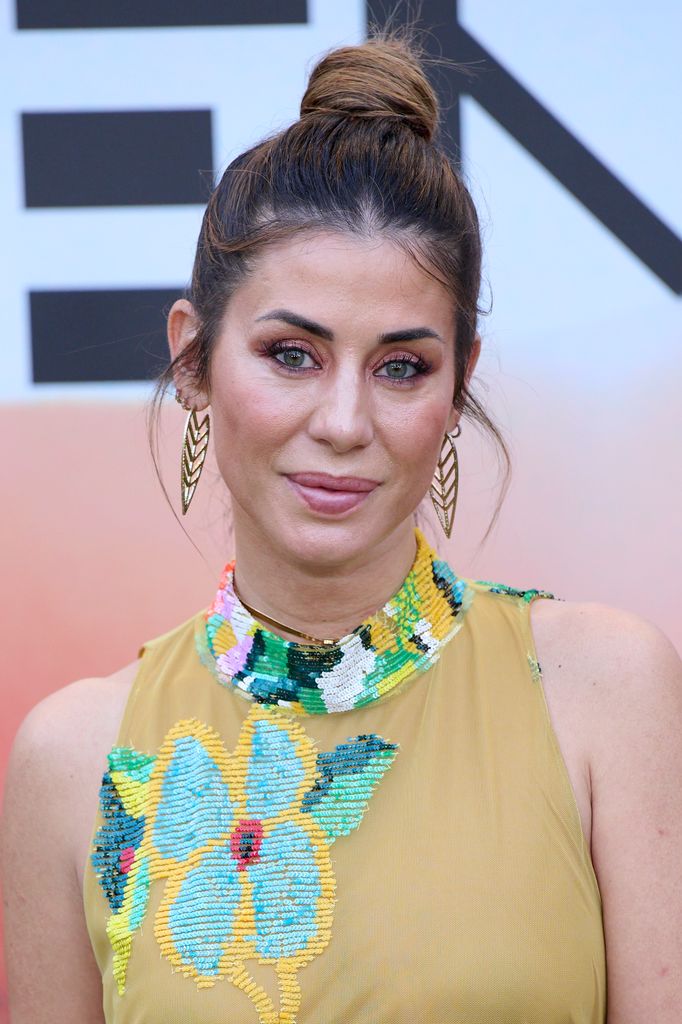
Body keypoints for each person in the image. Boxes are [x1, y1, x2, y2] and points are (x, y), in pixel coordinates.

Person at [2, 25, 681, 1024]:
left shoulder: (603, 691)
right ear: (193, 361)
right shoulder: (75, 758)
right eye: (291, 354)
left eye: (401, 365)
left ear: (457, 386)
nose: (344, 422)